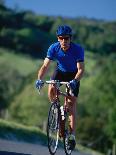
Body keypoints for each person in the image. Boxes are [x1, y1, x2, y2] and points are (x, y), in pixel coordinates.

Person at [35, 25, 84, 149]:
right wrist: (39, 79)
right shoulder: (53, 48)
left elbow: (81, 70)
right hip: (60, 72)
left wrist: (75, 80)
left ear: (70, 38)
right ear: (58, 38)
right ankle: (56, 107)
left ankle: (72, 136)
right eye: (61, 38)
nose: (64, 41)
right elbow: (45, 66)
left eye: (66, 38)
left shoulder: (77, 49)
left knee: (71, 104)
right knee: (51, 87)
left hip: (74, 75)